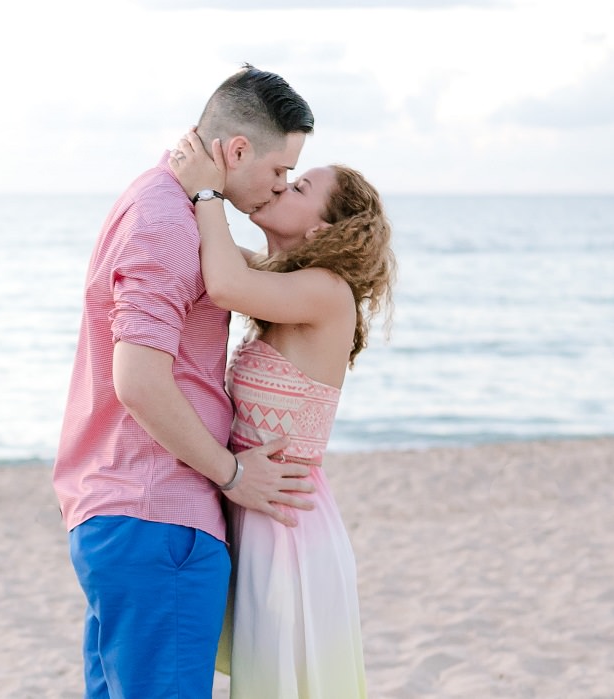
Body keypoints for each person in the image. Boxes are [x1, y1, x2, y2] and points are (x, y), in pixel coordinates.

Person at [52, 65, 319, 699]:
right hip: (156, 518)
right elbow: (138, 379)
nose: (279, 187)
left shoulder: (158, 198)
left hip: (123, 515)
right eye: (280, 171)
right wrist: (232, 475)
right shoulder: (171, 222)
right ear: (236, 150)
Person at [167, 128, 395, 698]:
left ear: (322, 229)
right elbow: (220, 261)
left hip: (287, 524)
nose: (280, 188)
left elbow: (223, 282)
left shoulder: (326, 291)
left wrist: (206, 193)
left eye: (299, 187)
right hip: (261, 504)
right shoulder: (283, 284)